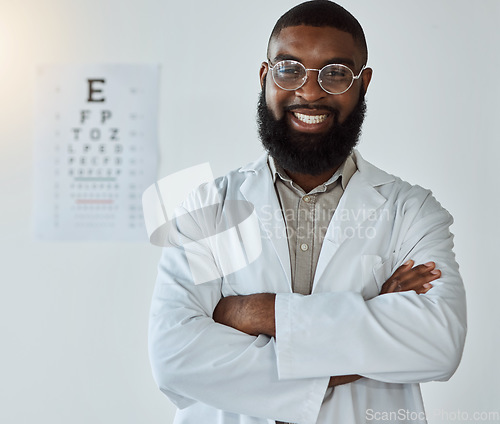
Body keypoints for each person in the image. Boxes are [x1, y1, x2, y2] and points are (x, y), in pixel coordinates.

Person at [148, 1, 467, 423]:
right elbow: (175, 357)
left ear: (363, 84)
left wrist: (250, 312)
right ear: (265, 77)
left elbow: (437, 345)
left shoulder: (412, 211)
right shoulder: (210, 207)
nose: (311, 91)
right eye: (289, 69)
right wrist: (373, 317)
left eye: (335, 73)